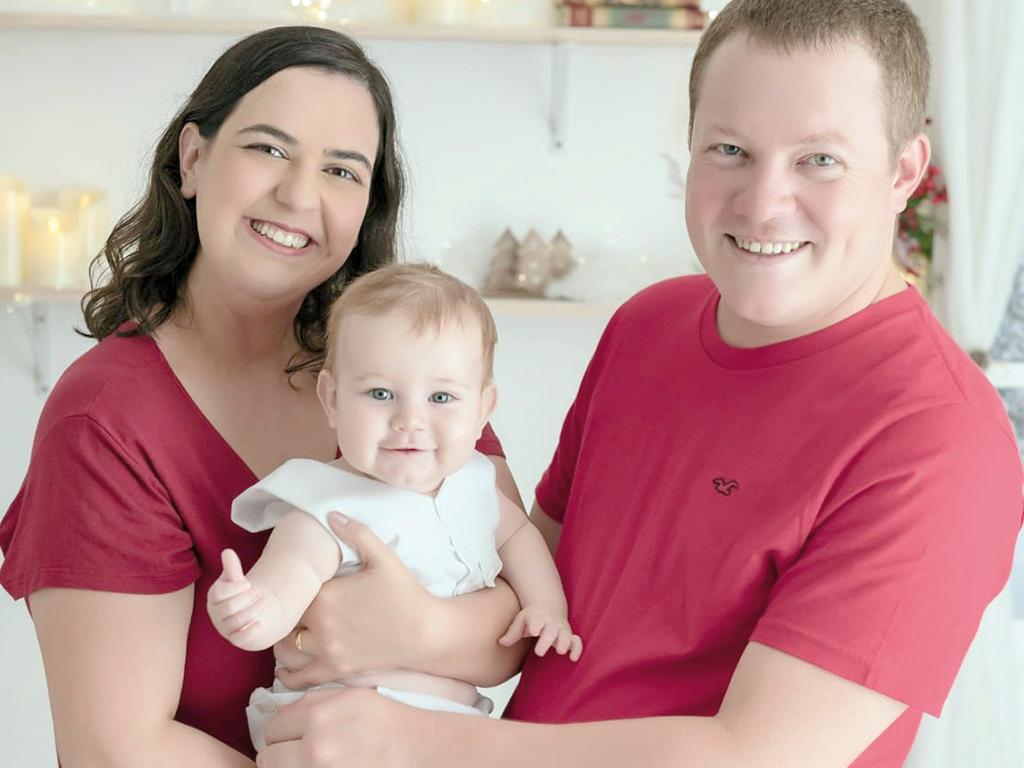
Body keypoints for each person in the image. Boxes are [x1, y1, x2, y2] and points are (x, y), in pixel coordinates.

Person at [251, 2, 1024, 767]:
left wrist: (415, 740)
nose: (762, 202)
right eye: (729, 149)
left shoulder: (942, 442)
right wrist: (413, 632)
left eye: (819, 159)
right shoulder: (649, 325)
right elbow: (529, 589)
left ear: (905, 172)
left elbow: (754, 756)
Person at [0, 27, 528, 766]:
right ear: (192, 159)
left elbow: (518, 631)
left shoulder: (409, 372)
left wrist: (412, 635)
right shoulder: (109, 421)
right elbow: (117, 750)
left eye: (343, 171)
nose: (299, 194)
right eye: (269, 149)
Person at [206, 264, 581, 748]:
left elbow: (520, 538)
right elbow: (289, 577)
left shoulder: (476, 484)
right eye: (380, 393)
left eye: (441, 396)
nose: (410, 420)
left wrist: (546, 606)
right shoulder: (326, 505)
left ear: (483, 409)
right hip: (334, 735)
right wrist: (253, 611)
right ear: (333, 399)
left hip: (447, 734)